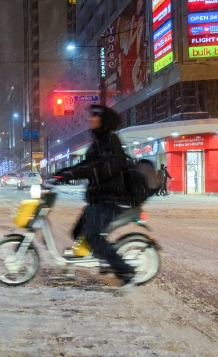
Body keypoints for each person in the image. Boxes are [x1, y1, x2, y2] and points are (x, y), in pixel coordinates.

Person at [56, 105, 135, 283]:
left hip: (111, 200)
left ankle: (125, 270)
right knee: (77, 233)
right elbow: (86, 164)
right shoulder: (99, 142)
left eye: (94, 116)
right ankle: (103, 254)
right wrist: (62, 173)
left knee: (92, 236)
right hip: (98, 199)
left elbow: (100, 168)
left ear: (103, 120)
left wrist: (72, 174)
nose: (89, 119)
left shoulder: (110, 141)